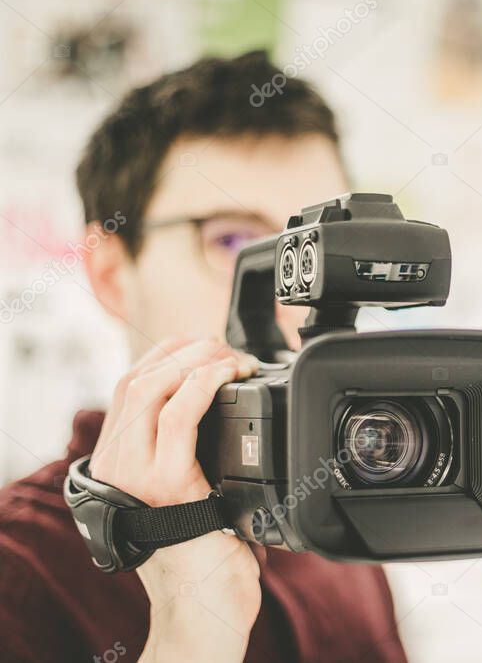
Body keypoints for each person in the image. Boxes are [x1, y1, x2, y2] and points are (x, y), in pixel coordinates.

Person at [0, 51, 408, 662]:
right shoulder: (19, 575)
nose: (289, 293)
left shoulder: (345, 516)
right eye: (233, 239)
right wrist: (188, 633)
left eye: (316, 248)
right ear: (112, 275)